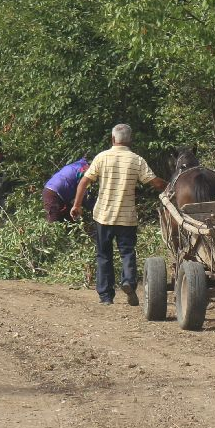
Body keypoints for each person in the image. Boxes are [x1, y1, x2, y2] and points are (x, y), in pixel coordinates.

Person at [70, 124, 166, 306]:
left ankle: (106, 296)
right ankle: (128, 282)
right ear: (130, 140)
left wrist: (77, 205)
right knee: (127, 252)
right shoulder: (136, 160)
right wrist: (170, 186)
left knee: (104, 255)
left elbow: (83, 182)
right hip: (127, 217)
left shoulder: (102, 157)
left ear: (113, 139)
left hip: (103, 216)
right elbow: (155, 183)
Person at [42, 156, 90, 223]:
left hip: (56, 192)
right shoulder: (85, 168)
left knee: (70, 218)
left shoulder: (78, 164)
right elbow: (82, 187)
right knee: (54, 222)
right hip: (53, 192)